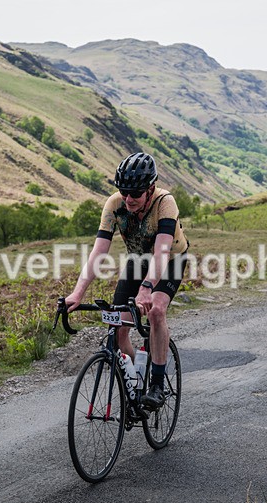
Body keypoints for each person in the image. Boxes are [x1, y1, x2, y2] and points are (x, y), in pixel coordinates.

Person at [65, 153, 189, 409]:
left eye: (135, 193)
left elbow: (162, 253)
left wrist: (146, 288)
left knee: (156, 310)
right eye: (124, 192)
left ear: (150, 189)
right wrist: (77, 294)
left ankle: (155, 384)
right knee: (119, 325)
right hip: (138, 261)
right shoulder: (114, 205)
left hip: (169, 261)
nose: (129, 199)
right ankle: (133, 380)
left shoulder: (165, 203)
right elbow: (98, 252)